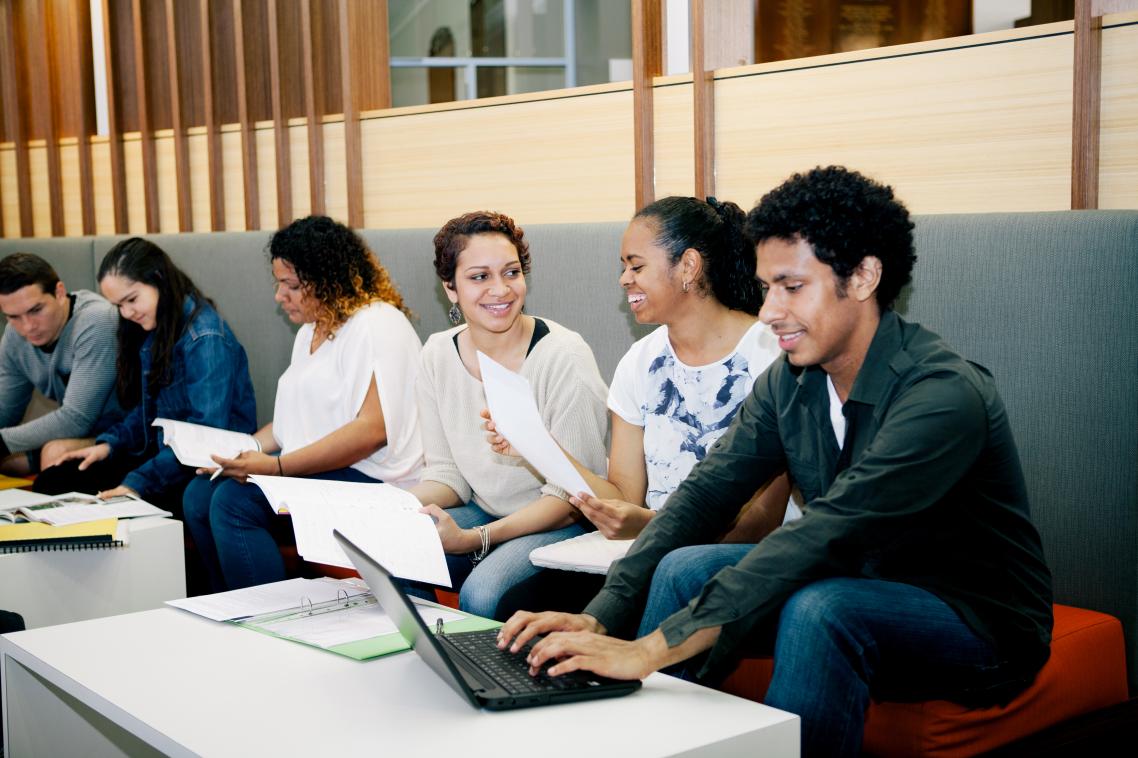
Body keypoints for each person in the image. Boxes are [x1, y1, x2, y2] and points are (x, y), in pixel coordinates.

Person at [498, 166, 1054, 757]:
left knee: (825, 610)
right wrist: (602, 618)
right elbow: (704, 496)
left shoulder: (942, 394)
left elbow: (824, 535)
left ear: (863, 277)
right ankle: (641, 744)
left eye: (792, 286)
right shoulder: (789, 382)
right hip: (855, 576)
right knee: (685, 566)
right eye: (767, 288)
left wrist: (650, 649)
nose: (769, 311)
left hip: (974, 619)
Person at [490, 196, 799, 619]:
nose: (624, 279)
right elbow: (622, 494)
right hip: (649, 547)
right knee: (513, 605)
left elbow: (761, 523)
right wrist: (537, 444)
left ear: (688, 266)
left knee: (668, 576)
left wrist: (651, 526)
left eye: (636, 266)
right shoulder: (640, 361)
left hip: (728, 556)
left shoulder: (773, 355)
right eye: (624, 267)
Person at [182, 216, 423, 591]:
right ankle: (227, 606)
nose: (280, 297)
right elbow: (286, 427)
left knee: (234, 502)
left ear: (328, 280)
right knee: (200, 494)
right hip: (325, 468)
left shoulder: (378, 324)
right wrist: (235, 453)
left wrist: (277, 467)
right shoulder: (312, 329)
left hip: (376, 477)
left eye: (291, 285)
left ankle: (269, 621)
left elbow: (372, 431)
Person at [408, 210, 608, 619]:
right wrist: (382, 505)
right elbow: (448, 477)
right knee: (396, 553)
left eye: (511, 273)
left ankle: (493, 682)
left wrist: (476, 538)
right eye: (479, 277)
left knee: (483, 594)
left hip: (562, 519)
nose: (500, 290)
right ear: (450, 288)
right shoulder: (436, 354)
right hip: (486, 508)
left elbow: (574, 496)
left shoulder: (563, 356)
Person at [33, 238, 257, 512]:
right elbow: (148, 412)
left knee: (89, 494)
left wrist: (136, 483)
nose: (126, 313)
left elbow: (204, 438)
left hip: (197, 467)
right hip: (162, 457)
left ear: (159, 279)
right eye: (118, 306)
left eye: (131, 300)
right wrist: (108, 446)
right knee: (55, 480)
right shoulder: (159, 327)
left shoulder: (204, 337)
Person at [0, 253, 122, 476]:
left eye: (35, 310)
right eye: (13, 317)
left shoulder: (97, 320)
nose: (27, 327)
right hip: (78, 435)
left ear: (59, 292)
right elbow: (5, 411)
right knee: (7, 463)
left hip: (125, 434)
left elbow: (77, 419)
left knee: (55, 454)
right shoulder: (14, 338)